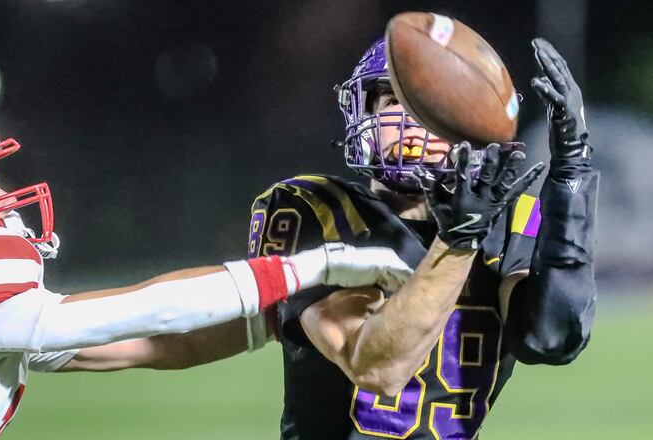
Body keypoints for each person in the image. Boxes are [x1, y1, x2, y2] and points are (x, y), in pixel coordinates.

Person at [0, 99, 416, 439]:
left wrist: (272, 320)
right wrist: (310, 267)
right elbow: (145, 310)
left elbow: (146, 341)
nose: (1, 193)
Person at [247, 36, 598, 439]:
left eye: (431, 107)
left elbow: (552, 338)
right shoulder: (317, 210)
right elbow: (376, 365)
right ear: (363, 114)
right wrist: (459, 240)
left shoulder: (512, 219)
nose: (411, 125)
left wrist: (572, 172)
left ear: (471, 124)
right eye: (394, 102)